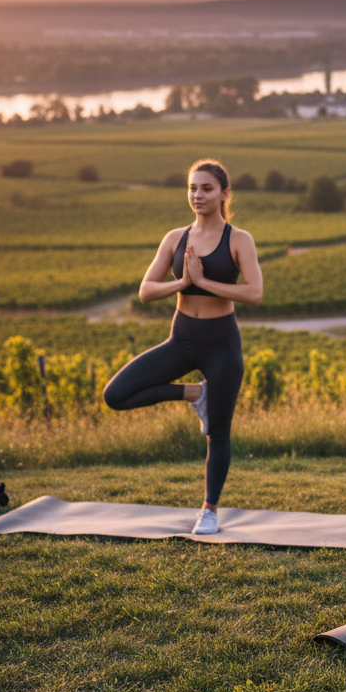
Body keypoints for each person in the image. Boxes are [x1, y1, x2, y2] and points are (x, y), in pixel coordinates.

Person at [103, 159, 263, 534]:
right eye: (192, 188)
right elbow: (145, 291)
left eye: (206, 188)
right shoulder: (175, 238)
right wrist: (182, 284)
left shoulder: (239, 240)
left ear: (224, 194)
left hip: (222, 344)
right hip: (182, 340)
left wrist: (204, 282)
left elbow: (254, 293)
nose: (197, 195)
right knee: (116, 394)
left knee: (218, 433)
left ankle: (209, 509)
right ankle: (194, 393)